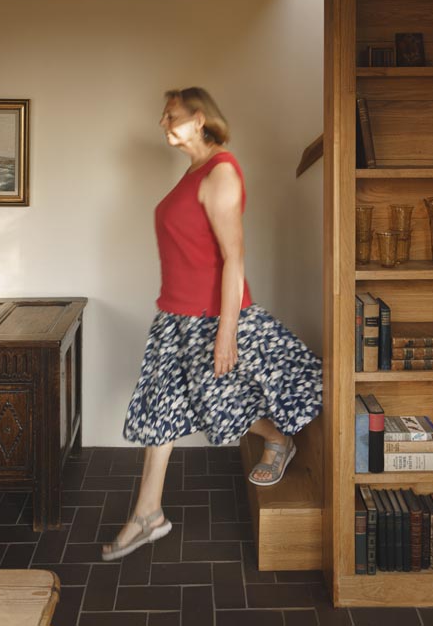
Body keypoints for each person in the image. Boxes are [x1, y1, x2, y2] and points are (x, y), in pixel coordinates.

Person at [102, 87, 323, 561]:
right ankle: (148, 515)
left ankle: (279, 438)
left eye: (171, 116)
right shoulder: (194, 173)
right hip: (175, 317)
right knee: (162, 409)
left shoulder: (221, 171)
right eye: (163, 116)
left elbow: (233, 258)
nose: (164, 123)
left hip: (211, 318)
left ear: (199, 118)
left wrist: (226, 332)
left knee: (220, 406)